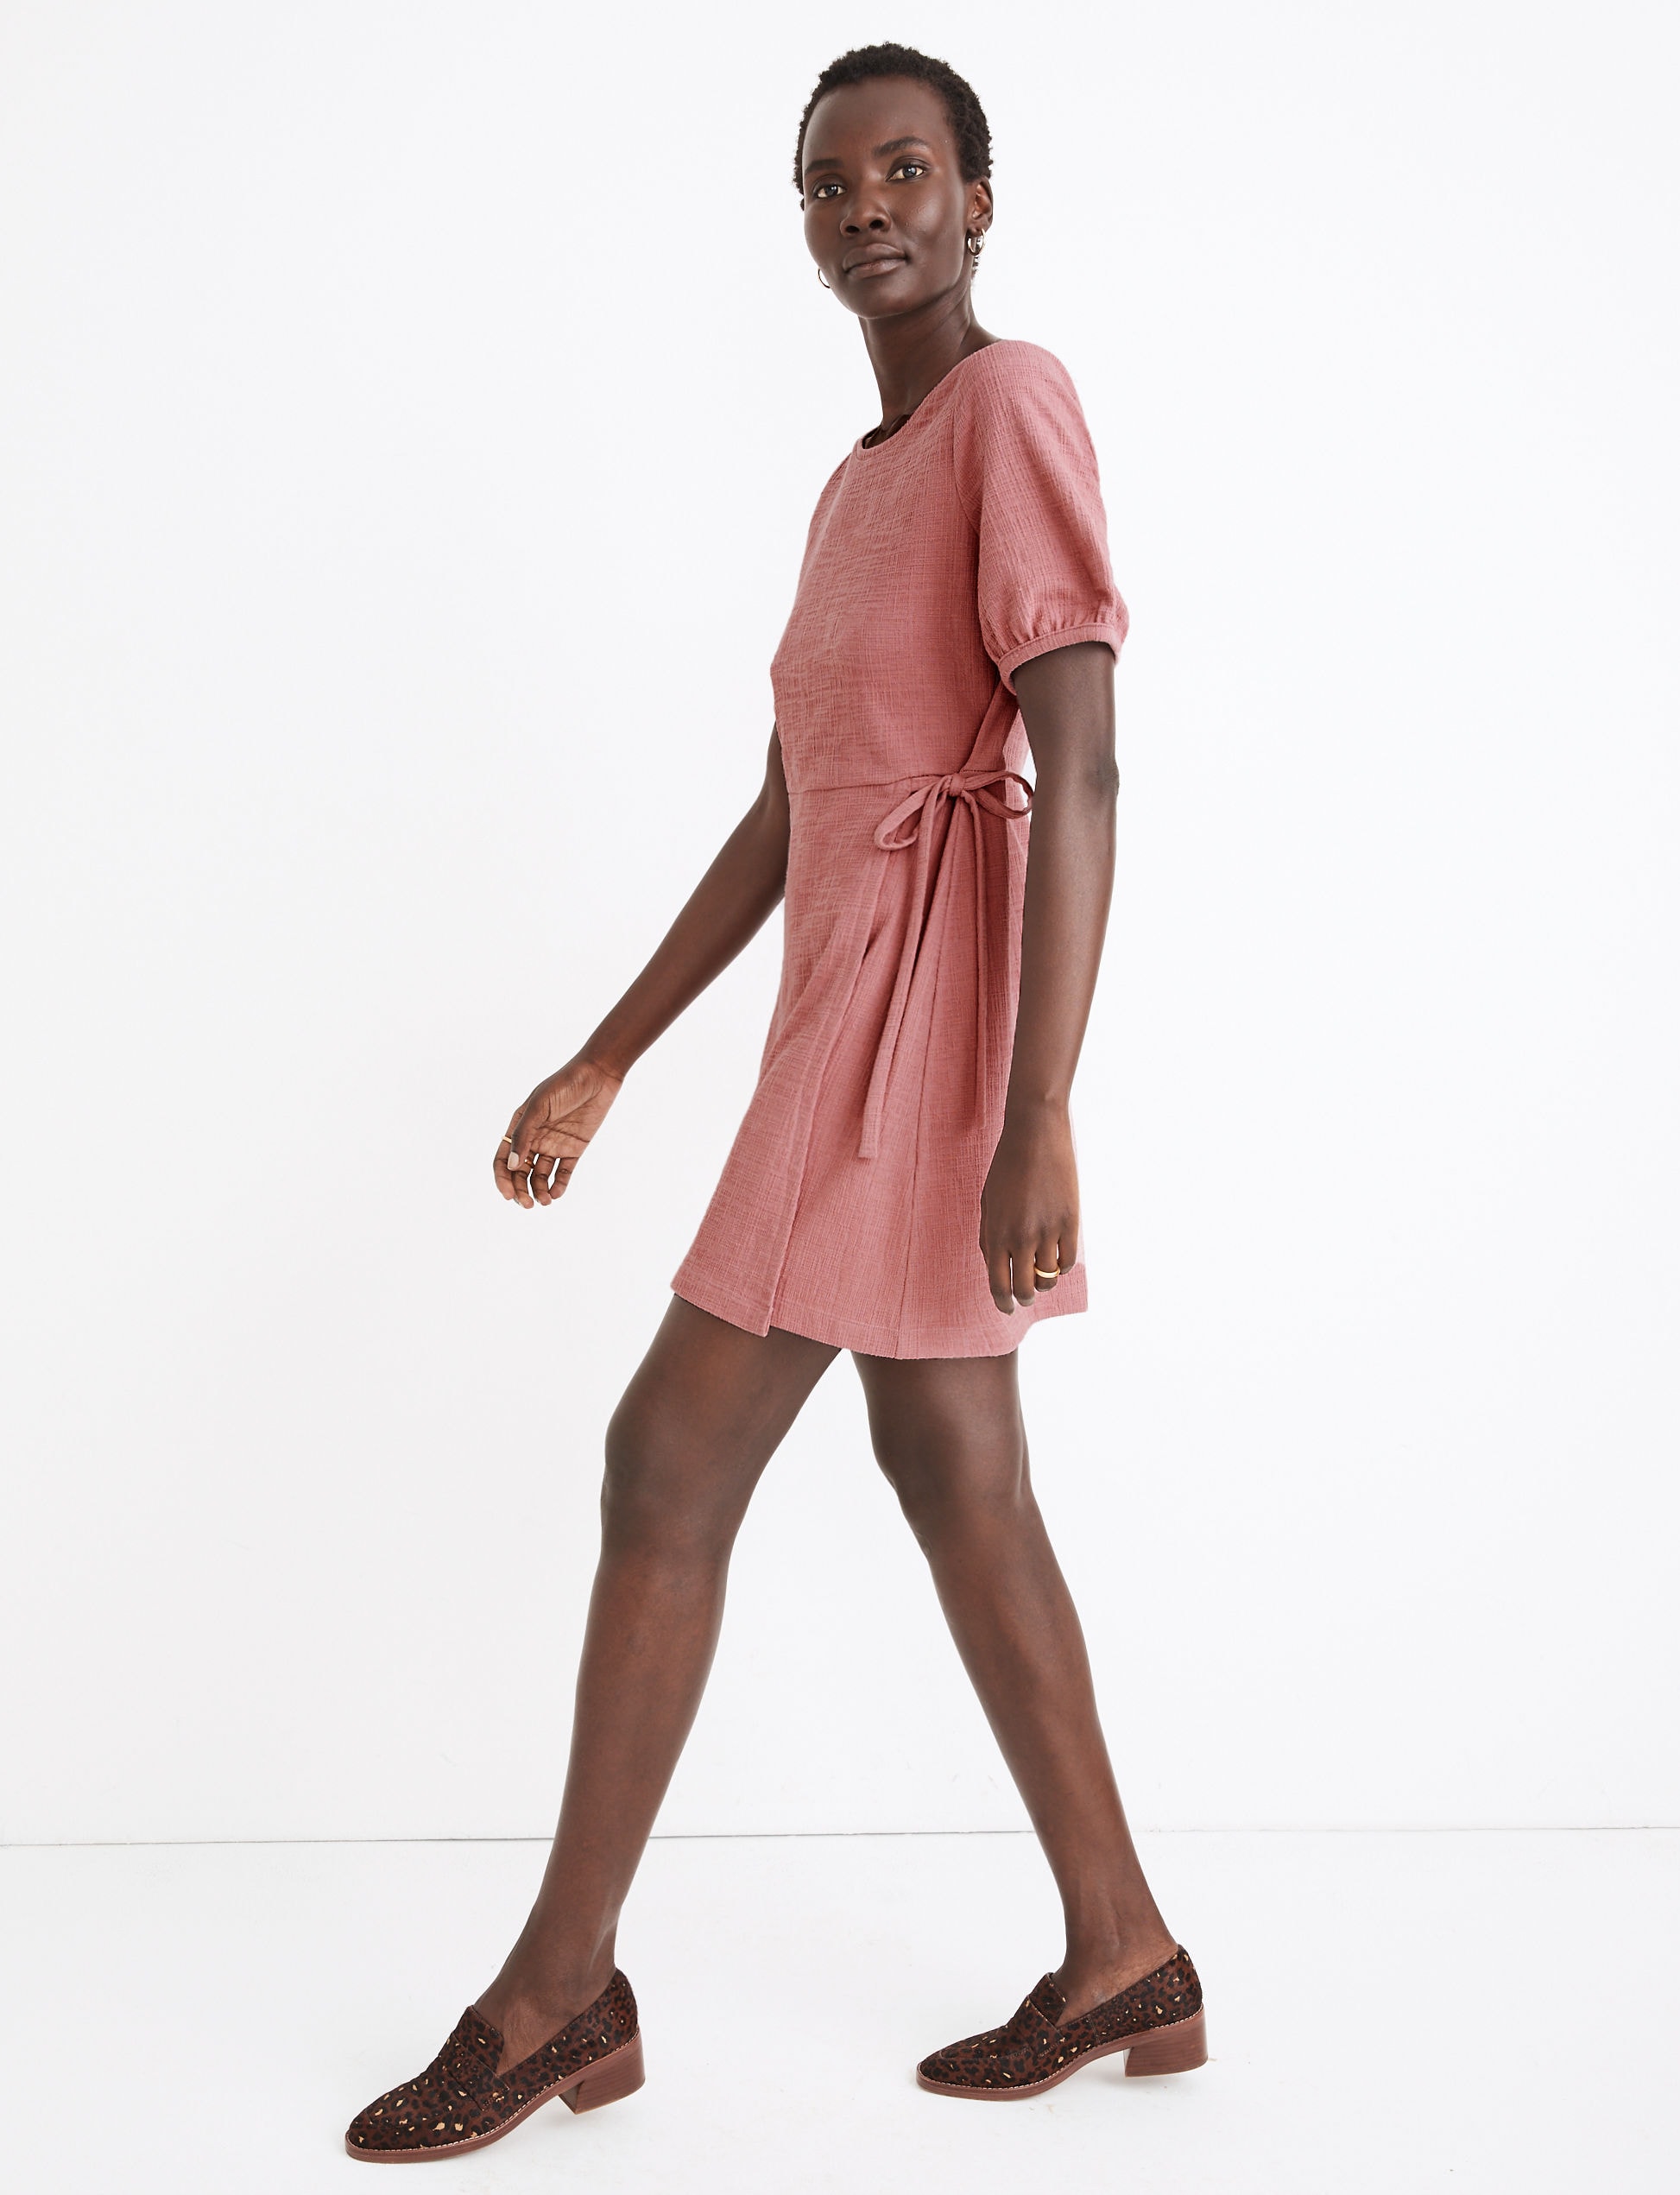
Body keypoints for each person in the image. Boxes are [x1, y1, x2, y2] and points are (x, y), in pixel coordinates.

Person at [345, 41, 1203, 2161]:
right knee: (957, 1468)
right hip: (847, 1007)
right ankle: (1126, 1952)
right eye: (829, 182)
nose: (866, 208)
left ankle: (556, 1991)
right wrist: (609, 1050)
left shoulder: (1011, 403)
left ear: (978, 197)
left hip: (937, 1026)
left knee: (667, 1457)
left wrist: (1040, 1107)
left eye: (905, 170)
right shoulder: (856, 479)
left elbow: (1085, 754)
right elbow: (785, 810)